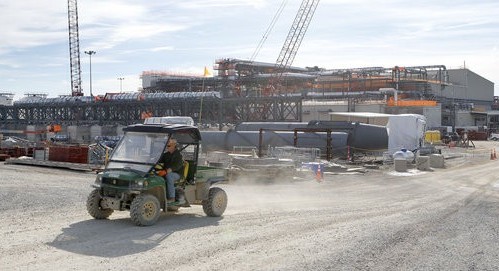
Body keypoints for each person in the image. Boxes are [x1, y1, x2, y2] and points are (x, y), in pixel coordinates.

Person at [160, 138, 184, 203]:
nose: (167, 147)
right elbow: (159, 159)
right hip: (166, 172)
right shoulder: (166, 155)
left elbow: (177, 166)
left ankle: (172, 198)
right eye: (166, 146)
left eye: (168, 146)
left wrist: (166, 171)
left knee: (169, 176)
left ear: (174, 145)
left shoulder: (179, 155)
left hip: (177, 174)